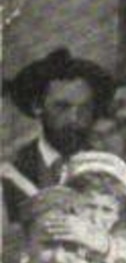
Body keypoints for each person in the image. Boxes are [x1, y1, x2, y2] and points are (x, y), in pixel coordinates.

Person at [2, 49, 116, 222]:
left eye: (84, 108)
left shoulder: (109, 168)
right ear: (37, 107)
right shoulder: (12, 170)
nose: (74, 119)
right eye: (62, 107)